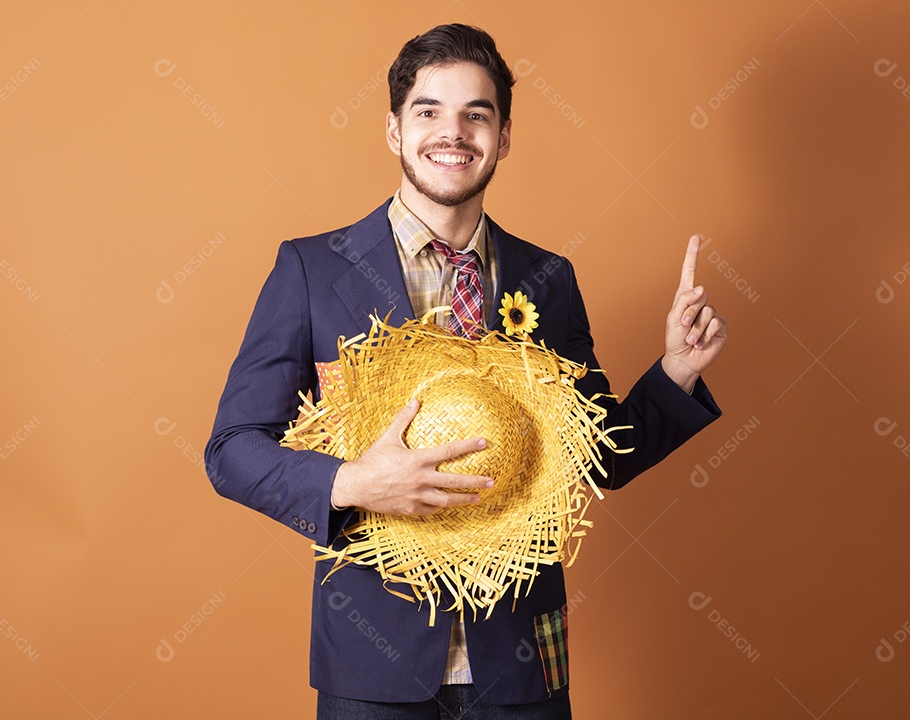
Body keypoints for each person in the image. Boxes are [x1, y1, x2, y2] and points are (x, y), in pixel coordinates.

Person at [204, 23, 726, 719]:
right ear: (394, 130)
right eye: (429, 112)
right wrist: (353, 482)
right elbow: (232, 450)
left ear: (503, 137)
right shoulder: (312, 271)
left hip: (520, 665)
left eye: (476, 115)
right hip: (372, 667)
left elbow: (593, 457)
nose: (453, 133)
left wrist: (677, 371)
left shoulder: (548, 278)